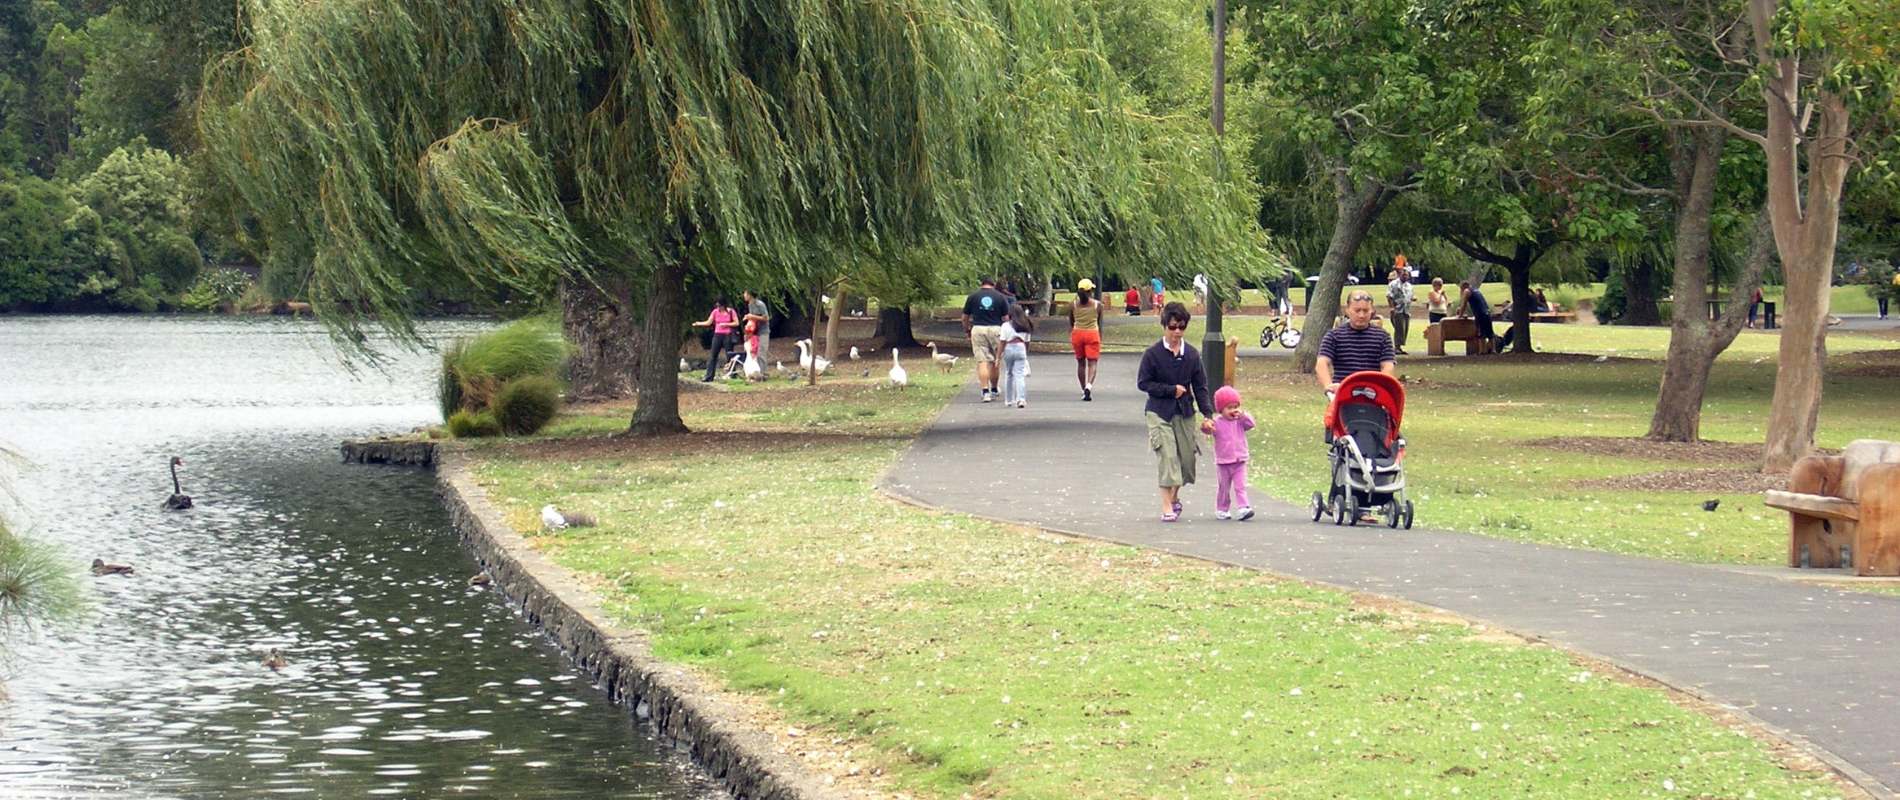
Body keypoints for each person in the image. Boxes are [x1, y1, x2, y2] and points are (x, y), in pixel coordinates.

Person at [1137, 302, 1216, 522]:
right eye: (1172, 327)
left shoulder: (1191, 355)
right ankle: (1166, 508)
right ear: (1164, 326)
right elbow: (1143, 383)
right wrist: (1171, 390)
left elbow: (1200, 386)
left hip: (1184, 412)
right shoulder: (1152, 354)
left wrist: (1208, 414)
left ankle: (1174, 497)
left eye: (1181, 327)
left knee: (1187, 462)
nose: (1177, 332)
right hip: (1158, 412)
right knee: (1168, 458)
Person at [1316, 291, 1397, 393]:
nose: (1361, 315)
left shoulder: (1383, 337)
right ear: (1347, 311)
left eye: (1366, 310)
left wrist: (1380, 387)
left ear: (1372, 311)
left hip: (1372, 395)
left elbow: (1388, 366)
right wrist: (1329, 386)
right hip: (1342, 393)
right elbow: (1322, 363)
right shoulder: (1334, 336)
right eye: (1357, 310)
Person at [962, 276, 1013, 402]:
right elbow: (1006, 318)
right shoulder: (1000, 297)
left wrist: (967, 330)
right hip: (996, 329)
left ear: (981, 284)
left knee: (982, 361)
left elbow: (965, 317)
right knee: (996, 360)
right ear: (993, 284)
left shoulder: (973, 297)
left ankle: (985, 391)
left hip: (978, 328)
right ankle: (994, 389)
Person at [1209, 386, 1255, 522]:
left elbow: (1251, 424)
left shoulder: (1240, 421)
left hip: (1239, 460)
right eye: (1229, 408)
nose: (1234, 410)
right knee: (1224, 487)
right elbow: (1207, 430)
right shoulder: (1217, 422)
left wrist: (1243, 415)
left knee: (1240, 486)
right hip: (1223, 462)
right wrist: (1206, 426)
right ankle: (1222, 509)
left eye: (1236, 406)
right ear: (1221, 409)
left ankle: (1243, 507)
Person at [690, 297, 740, 382]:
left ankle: (732, 373)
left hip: (727, 335)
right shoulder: (715, 312)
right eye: (717, 306)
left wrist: (726, 324)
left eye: (720, 306)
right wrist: (699, 323)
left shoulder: (731, 311)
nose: (719, 307)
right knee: (713, 355)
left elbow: (736, 323)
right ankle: (709, 376)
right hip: (717, 335)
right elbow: (709, 322)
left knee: (729, 355)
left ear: (724, 305)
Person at [1069, 278, 1103, 401]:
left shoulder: (1073, 305)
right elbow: (1099, 321)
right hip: (1092, 333)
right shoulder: (1097, 305)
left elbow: (1071, 321)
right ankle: (1089, 385)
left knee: (1081, 363)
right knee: (1092, 363)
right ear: (1090, 292)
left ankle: (1083, 390)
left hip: (1078, 333)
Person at [997, 303, 1033, 408]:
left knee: (1009, 373)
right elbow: (1027, 342)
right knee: (1019, 375)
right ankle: (1021, 399)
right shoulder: (1025, 325)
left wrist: (998, 356)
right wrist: (1025, 353)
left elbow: (1002, 342)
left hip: (1009, 348)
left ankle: (1009, 400)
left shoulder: (1005, 325)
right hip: (1021, 348)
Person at [1460, 281, 1499, 352]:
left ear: (1463, 287)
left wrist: (1460, 316)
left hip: (1480, 314)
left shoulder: (1467, 291)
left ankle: (1482, 351)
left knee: (1481, 333)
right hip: (1487, 312)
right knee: (1490, 333)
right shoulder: (1476, 290)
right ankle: (1493, 350)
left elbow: (1464, 305)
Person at [1385, 269, 1413, 356]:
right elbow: (1389, 296)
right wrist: (1392, 308)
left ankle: (1399, 346)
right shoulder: (1393, 284)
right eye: (1403, 274)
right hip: (1397, 309)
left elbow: (1409, 296)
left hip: (1406, 310)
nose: (1405, 276)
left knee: (1405, 328)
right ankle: (1397, 347)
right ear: (1399, 275)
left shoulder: (1409, 286)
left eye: (1406, 275)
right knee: (1399, 328)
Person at [742, 290, 771, 364]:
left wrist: (752, 316)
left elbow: (766, 318)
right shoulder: (750, 305)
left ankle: (762, 373)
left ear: (750, 295)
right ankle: (756, 371)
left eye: (745, 293)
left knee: (761, 351)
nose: (744, 295)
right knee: (755, 351)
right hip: (754, 331)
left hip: (763, 331)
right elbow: (753, 319)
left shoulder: (760, 304)